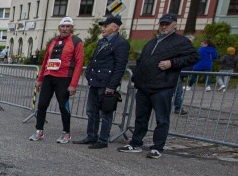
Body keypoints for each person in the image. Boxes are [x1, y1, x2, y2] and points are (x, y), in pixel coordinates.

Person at [119, 13, 198, 159]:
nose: (164, 26)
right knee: (140, 117)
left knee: (162, 119)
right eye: (162, 23)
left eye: (167, 24)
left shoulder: (180, 41)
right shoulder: (152, 41)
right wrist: (137, 78)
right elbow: (141, 60)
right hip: (144, 86)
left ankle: (157, 147)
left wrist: (172, 63)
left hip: (163, 86)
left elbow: (193, 57)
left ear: (175, 24)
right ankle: (136, 143)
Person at [72, 16, 130, 149]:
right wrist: (88, 74)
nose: (102, 28)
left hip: (106, 83)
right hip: (95, 81)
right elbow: (94, 60)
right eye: (103, 26)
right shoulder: (102, 41)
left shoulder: (121, 43)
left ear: (114, 27)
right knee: (91, 111)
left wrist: (112, 85)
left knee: (106, 113)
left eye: (105, 26)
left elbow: (120, 66)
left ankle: (103, 139)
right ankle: (91, 136)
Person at [30, 17, 84, 144]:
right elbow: (45, 61)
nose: (65, 29)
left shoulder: (76, 42)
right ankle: (39, 130)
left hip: (64, 78)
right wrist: (40, 79)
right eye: (63, 26)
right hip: (49, 76)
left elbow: (79, 64)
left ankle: (66, 133)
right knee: (42, 104)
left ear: (71, 28)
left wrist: (73, 84)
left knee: (63, 106)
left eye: (68, 26)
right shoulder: (53, 41)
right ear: (59, 28)